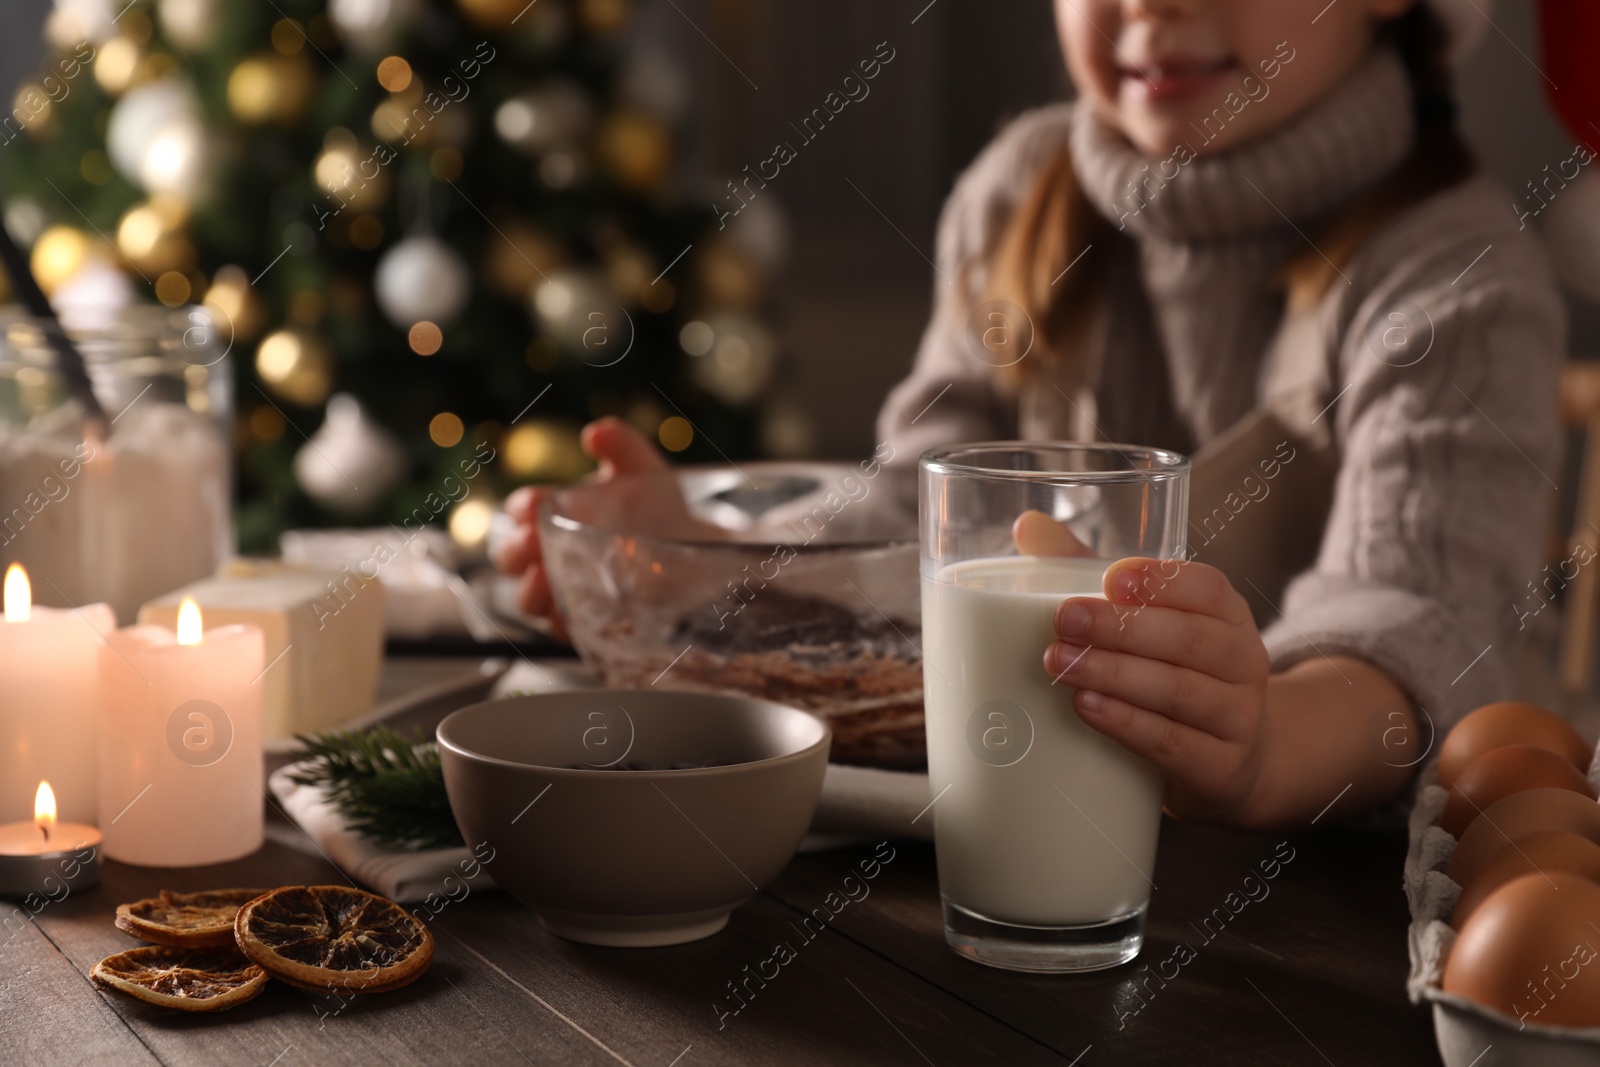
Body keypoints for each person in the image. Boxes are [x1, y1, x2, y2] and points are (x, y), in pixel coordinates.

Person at [499, 0, 1562, 830]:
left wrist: (1261, 742)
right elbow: (910, 512)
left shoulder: (1455, 283)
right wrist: (697, 555)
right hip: (1015, 841)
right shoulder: (1018, 196)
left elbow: (1419, 625)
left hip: (1296, 916)